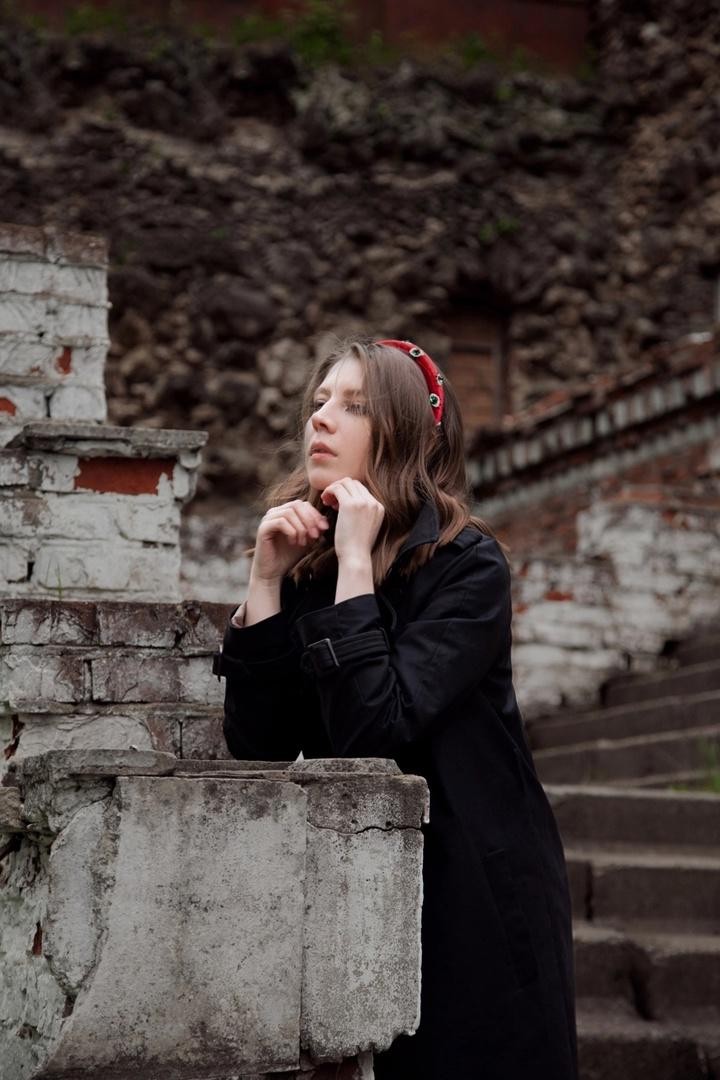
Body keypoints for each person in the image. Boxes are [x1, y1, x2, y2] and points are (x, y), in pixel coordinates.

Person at [212, 337, 579, 1080]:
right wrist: (267, 583)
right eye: (319, 401)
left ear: (405, 433)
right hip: (357, 887)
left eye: (353, 406)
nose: (320, 419)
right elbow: (259, 748)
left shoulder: (468, 565)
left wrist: (356, 562)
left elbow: (376, 731)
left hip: (473, 892)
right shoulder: (311, 564)